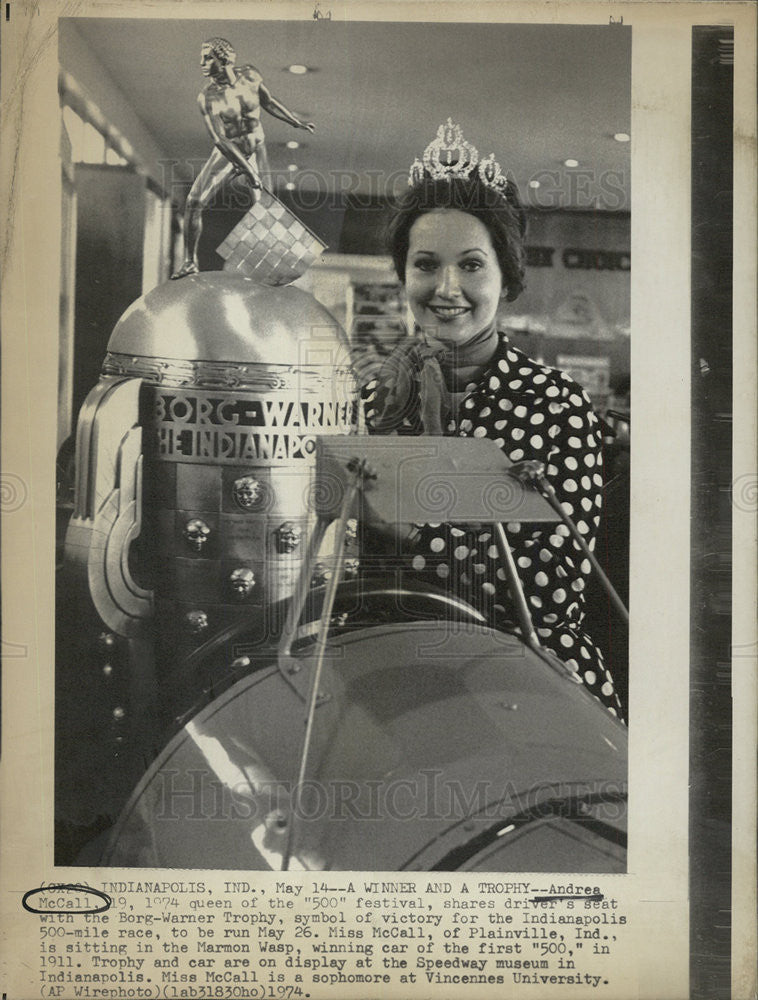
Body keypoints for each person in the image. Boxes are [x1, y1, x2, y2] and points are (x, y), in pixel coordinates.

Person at [359, 120, 623, 717]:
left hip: (525, 677)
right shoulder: (369, 402)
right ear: (403, 275)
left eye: (472, 265)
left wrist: (406, 520)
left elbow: (548, 592)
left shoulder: (558, 406)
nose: (446, 287)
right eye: (425, 264)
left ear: (506, 279)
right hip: (384, 670)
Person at [172, 38, 315, 279]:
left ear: (224, 58)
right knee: (194, 201)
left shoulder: (250, 75)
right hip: (228, 152)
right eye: (202, 57)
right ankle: (189, 262)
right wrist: (247, 170)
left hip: (256, 146)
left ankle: (271, 267)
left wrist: (295, 121)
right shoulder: (207, 97)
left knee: (265, 206)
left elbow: (268, 102)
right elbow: (220, 140)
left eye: (208, 57)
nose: (202, 63)